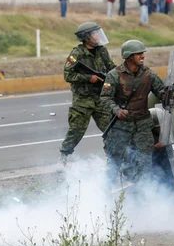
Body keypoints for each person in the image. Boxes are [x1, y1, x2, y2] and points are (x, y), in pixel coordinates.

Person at [100, 39, 166, 186]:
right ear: (130, 56)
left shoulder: (149, 74)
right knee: (115, 160)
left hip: (142, 125)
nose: (143, 56)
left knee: (145, 160)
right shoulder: (114, 75)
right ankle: (106, 192)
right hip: (120, 126)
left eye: (143, 53)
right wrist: (117, 110)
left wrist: (168, 96)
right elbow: (105, 98)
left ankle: (144, 194)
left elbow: (161, 91)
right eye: (139, 54)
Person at [60, 22, 116, 165]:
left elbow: (111, 68)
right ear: (86, 37)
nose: (98, 36)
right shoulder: (77, 54)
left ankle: (113, 160)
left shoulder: (102, 51)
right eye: (94, 33)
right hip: (83, 100)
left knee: (111, 130)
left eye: (98, 33)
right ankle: (64, 158)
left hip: (100, 98)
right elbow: (68, 75)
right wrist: (88, 78)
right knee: (76, 131)